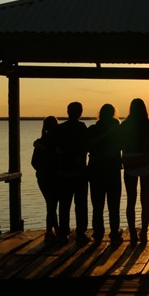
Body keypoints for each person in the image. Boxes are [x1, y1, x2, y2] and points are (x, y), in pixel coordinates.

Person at [120, 98, 149, 243]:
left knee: (131, 200)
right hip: (146, 164)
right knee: (145, 201)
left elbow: (120, 143)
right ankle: (144, 232)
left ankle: (133, 233)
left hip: (130, 165)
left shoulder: (125, 125)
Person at [52, 101, 89, 243]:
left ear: (68, 112)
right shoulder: (81, 127)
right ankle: (81, 232)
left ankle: (63, 232)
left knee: (64, 204)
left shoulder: (60, 129)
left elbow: (53, 148)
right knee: (80, 204)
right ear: (79, 112)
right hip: (78, 173)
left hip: (64, 174)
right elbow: (86, 146)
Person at [87, 104, 122, 242]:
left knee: (97, 204)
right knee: (114, 204)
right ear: (113, 114)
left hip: (95, 169)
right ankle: (114, 232)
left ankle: (98, 232)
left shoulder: (93, 129)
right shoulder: (117, 130)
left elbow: (88, 146)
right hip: (112, 169)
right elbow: (121, 146)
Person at [31, 116, 60, 241]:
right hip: (55, 176)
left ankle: (55, 229)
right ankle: (50, 230)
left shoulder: (40, 142)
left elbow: (33, 162)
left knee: (50, 203)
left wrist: (41, 170)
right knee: (52, 203)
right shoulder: (58, 141)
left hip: (42, 177)